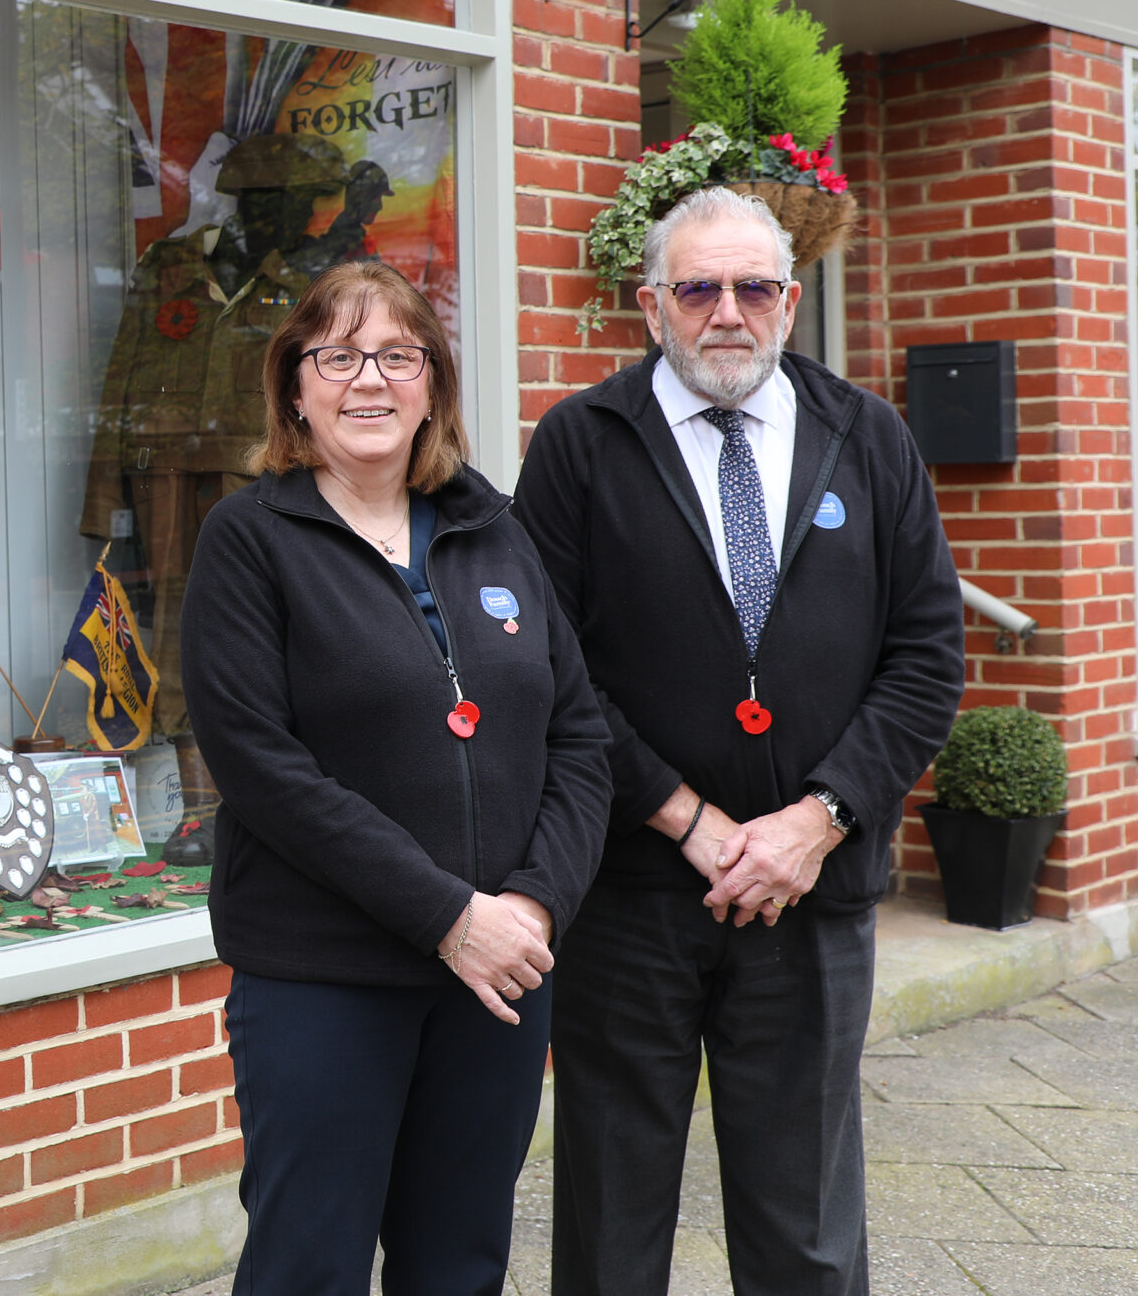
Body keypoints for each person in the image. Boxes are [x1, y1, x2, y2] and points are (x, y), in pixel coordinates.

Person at [512, 187, 964, 1296]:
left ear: (790, 300)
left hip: (812, 890)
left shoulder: (869, 436)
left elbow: (926, 653)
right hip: (628, 893)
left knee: (805, 1223)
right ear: (650, 304)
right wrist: (686, 817)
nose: (727, 311)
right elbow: (549, 673)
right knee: (610, 1219)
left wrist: (819, 819)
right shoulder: (580, 442)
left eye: (752, 286)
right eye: (698, 287)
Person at [185, 259, 614, 1296]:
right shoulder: (247, 541)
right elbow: (264, 768)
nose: (366, 380)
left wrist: (531, 903)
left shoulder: (493, 528)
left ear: (433, 385)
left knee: (459, 1260)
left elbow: (579, 737)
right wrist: (444, 912)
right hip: (321, 977)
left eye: (396, 355)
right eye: (336, 355)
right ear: (295, 385)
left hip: (498, 977)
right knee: (308, 1264)